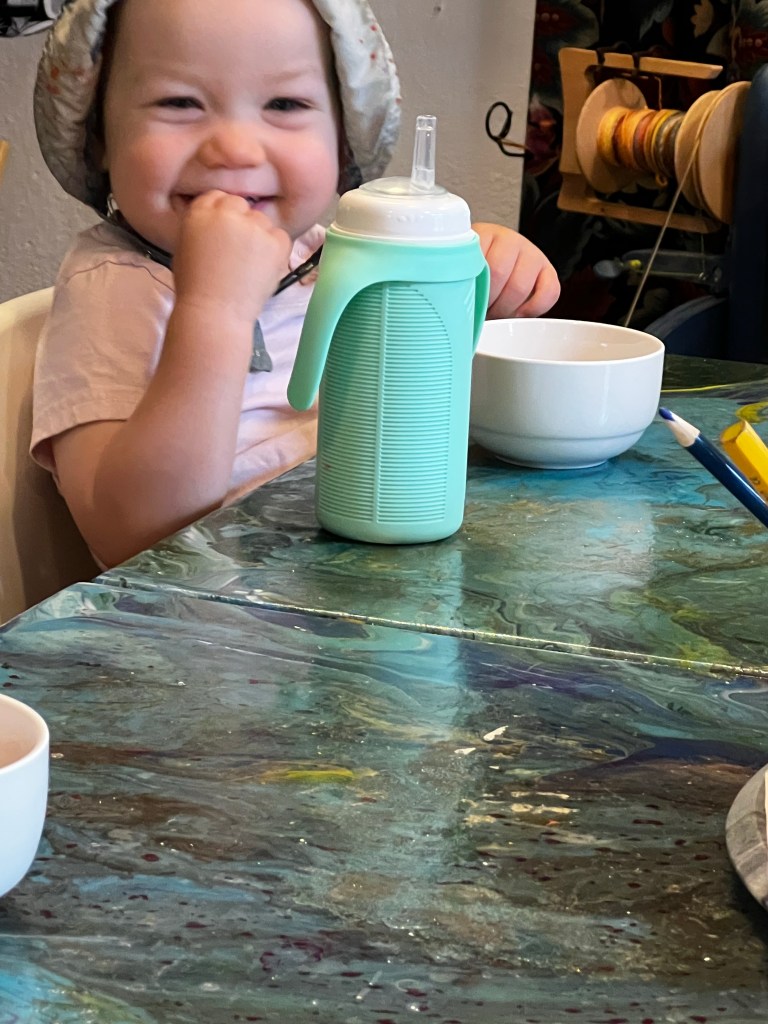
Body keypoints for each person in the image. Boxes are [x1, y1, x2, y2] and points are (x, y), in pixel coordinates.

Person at [32, 0, 560, 569]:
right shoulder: (111, 287)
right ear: (99, 137)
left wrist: (479, 279)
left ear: (345, 139)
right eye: (179, 103)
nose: (234, 148)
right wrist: (216, 310)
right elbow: (131, 537)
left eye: (284, 104)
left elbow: (429, 417)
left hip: (378, 564)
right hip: (228, 611)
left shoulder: (337, 255)